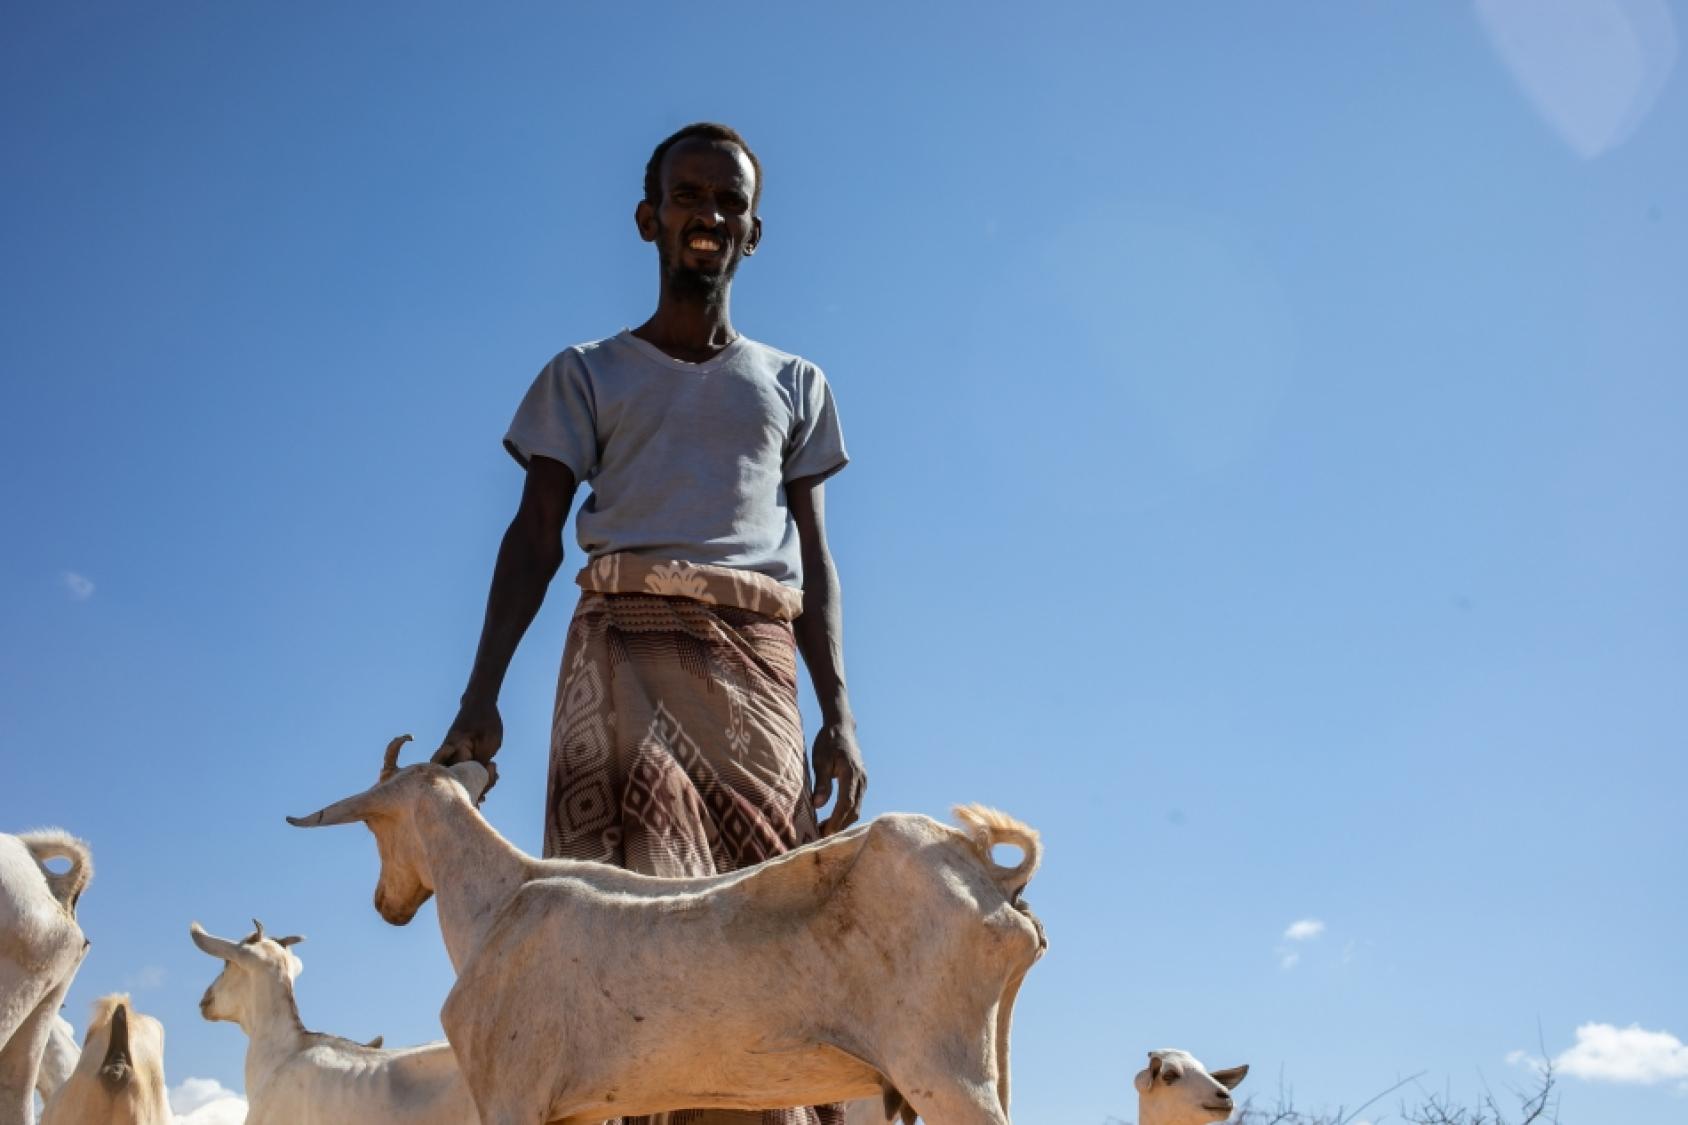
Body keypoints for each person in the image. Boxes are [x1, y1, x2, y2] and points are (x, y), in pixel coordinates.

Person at [432, 122, 863, 1125]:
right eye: (687, 196)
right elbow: (535, 535)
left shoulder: (796, 387)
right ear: (648, 219)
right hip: (616, 648)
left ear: (754, 232)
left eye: (728, 202)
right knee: (618, 937)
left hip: (753, 664)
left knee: (770, 925)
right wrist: (479, 698)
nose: (707, 215)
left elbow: (815, 560)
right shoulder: (586, 373)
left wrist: (837, 710)